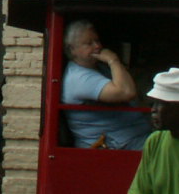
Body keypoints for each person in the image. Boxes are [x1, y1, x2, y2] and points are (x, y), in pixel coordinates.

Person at [61, 20, 150, 150]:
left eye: (97, 40)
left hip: (133, 136)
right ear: (72, 49)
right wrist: (113, 60)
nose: (97, 46)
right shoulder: (78, 78)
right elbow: (127, 92)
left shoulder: (98, 67)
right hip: (116, 145)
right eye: (89, 43)